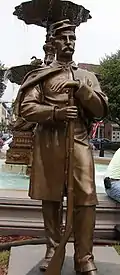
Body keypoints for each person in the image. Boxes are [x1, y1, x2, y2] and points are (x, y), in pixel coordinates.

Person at [14, 19, 108, 275]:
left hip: (78, 142)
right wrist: (56, 112)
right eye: (64, 39)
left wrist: (82, 90)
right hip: (50, 143)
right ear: (53, 42)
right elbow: (26, 108)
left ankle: (84, 257)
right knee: (52, 198)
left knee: (87, 198)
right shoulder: (40, 77)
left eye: (73, 39)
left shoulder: (87, 77)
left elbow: (100, 110)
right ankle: (53, 250)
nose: (69, 43)